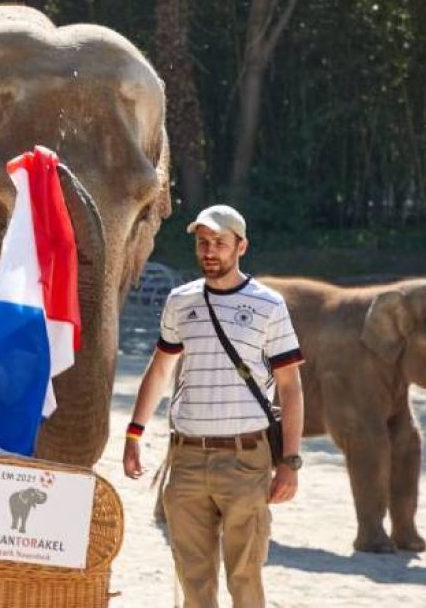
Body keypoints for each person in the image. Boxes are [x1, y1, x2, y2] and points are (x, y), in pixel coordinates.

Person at [123, 204, 304, 608]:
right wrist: (134, 433)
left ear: (241, 246)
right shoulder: (180, 301)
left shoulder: (269, 305)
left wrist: (290, 461)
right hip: (185, 459)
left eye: (219, 243)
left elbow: (291, 387)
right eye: (203, 243)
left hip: (246, 460)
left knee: (245, 577)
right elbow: (159, 371)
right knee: (194, 582)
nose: (209, 251)